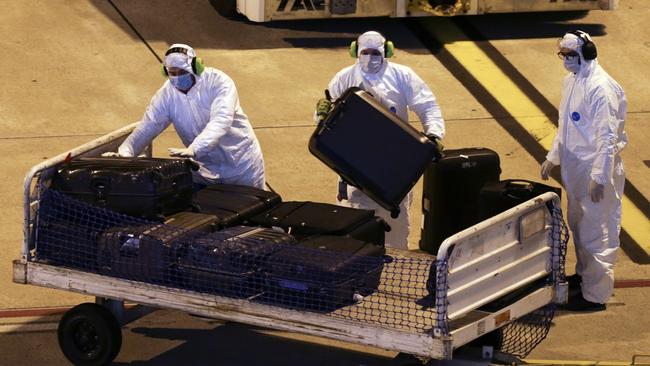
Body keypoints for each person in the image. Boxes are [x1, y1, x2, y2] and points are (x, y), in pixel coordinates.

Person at [315, 31, 445, 250]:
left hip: (395, 168)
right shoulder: (344, 78)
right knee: (353, 233)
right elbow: (325, 120)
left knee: (395, 234)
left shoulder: (403, 76)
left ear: (387, 51)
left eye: (375, 53)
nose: (370, 57)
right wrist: (320, 113)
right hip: (355, 168)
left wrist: (434, 134)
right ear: (355, 51)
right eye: (365, 52)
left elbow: (427, 106)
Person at [541, 30, 627, 312]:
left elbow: (607, 138)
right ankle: (584, 278)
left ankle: (595, 295)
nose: (564, 60)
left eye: (569, 55)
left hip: (594, 171)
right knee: (578, 225)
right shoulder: (573, 81)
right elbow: (565, 124)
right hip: (576, 169)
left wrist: (600, 177)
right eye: (562, 55)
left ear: (586, 54)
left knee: (596, 232)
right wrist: (553, 157)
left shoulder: (601, 89)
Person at [106, 43, 266, 189]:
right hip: (204, 171)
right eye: (172, 73)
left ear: (196, 67)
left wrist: (196, 148)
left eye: (181, 72)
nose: (176, 77)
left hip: (241, 166)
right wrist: (125, 154)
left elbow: (221, 121)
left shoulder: (218, 82)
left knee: (252, 211)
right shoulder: (167, 94)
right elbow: (149, 125)